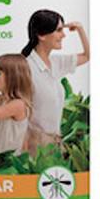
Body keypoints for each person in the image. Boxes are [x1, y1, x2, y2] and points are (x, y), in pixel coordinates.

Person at [21, 9, 90, 156]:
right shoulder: (25, 67)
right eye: (59, 30)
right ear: (41, 35)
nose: (63, 35)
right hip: (35, 146)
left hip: (55, 143)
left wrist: (80, 29)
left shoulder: (56, 62)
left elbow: (87, 56)